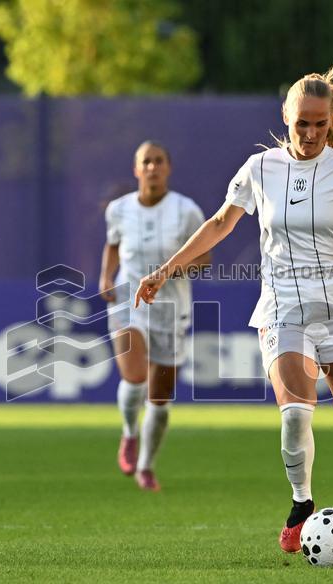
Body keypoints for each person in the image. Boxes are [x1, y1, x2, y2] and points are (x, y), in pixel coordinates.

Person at [135, 67, 333, 559]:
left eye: (321, 124)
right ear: (286, 118)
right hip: (283, 309)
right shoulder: (261, 169)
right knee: (295, 414)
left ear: (331, 121)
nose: (312, 133)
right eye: (303, 123)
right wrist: (167, 269)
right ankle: (301, 504)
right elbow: (220, 223)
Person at [99, 141, 209, 491]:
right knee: (134, 376)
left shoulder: (186, 210)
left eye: (158, 161)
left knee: (159, 399)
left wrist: (172, 273)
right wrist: (105, 275)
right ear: (136, 169)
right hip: (128, 300)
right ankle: (129, 432)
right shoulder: (119, 209)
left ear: (168, 167)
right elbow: (114, 244)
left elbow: (204, 257)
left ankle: (146, 465)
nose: (152, 167)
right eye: (146, 162)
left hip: (170, 308)